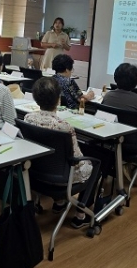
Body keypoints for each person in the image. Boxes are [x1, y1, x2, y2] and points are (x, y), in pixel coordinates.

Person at [24, 77, 93, 228]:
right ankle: (80, 216)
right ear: (58, 99)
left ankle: (59, 202)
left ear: (35, 98)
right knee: (94, 167)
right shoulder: (64, 126)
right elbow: (77, 159)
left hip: (36, 173)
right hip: (61, 179)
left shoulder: (28, 118)